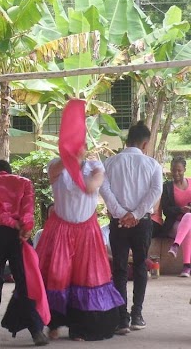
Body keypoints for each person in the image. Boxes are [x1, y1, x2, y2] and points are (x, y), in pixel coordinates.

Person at [37, 152, 124, 341]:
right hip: (60, 229)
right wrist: (69, 160)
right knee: (57, 277)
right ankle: (53, 323)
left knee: (86, 279)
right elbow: (54, 171)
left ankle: (80, 328)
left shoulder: (95, 167)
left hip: (86, 232)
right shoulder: (56, 165)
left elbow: (92, 186)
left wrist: (86, 168)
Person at [100, 121, 163, 334]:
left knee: (118, 268)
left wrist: (121, 214)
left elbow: (104, 190)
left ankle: (121, 319)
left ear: (126, 140)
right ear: (145, 144)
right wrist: (135, 215)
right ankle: (137, 315)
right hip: (142, 222)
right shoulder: (153, 165)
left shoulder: (109, 163)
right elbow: (155, 191)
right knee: (139, 266)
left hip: (118, 223)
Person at [0, 160, 48, 346]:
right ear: (9, 171)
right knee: (24, 282)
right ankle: (36, 331)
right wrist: (24, 227)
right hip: (19, 237)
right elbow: (28, 210)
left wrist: (11, 223)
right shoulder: (24, 182)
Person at [161, 157, 191, 277]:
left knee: (189, 216)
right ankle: (187, 266)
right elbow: (166, 210)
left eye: (179, 170)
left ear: (184, 169)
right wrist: (180, 209)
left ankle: (175, 246)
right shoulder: (167, 187)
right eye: (173, 170)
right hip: (174, 225)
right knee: (188, 223)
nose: (176, 173)